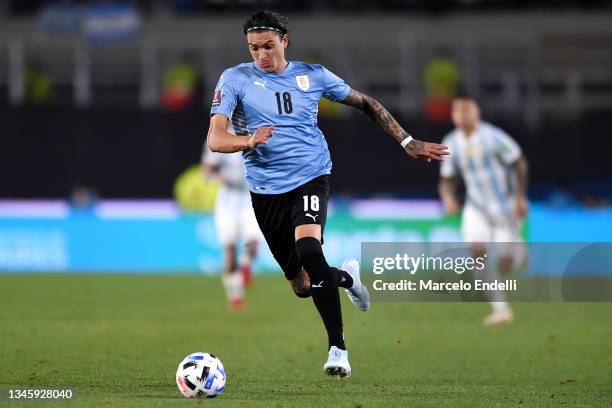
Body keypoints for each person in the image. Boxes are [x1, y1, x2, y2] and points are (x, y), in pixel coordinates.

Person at [207, 10, 448, 377]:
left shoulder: (313, 75)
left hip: (310, 176)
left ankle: (338, 349)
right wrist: (248, 140)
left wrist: (408, 141)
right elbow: (215, 138)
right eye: (254, 48)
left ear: (285, 40)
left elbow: (366, 103)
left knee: (309, 249)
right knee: (302, 285)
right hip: (265, 190)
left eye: (269, 46)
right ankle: (348, 278)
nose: (262, 55)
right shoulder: (235, 79)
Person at [438, 96, 529, 326]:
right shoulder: (452, 142)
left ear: (476, 112)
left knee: (505, 264)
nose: (462, 115)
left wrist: (520, 197)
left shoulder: (493, 136)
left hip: (504, 207)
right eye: (458, 110)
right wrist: (448, 198)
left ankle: (517, 247)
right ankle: (501, 310)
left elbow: (519, 162)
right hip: (476, 207)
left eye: (466, 110)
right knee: (477, 252)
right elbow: (447, 178)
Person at [202, 142, 260, 310]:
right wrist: (216, 177)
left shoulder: (255, 131)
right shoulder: (219, 136)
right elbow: (207, 170)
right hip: (228, 199)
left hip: (251, 197)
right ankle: (234, 294)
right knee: (230, 249)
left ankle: (245, 263)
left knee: (253, 243)